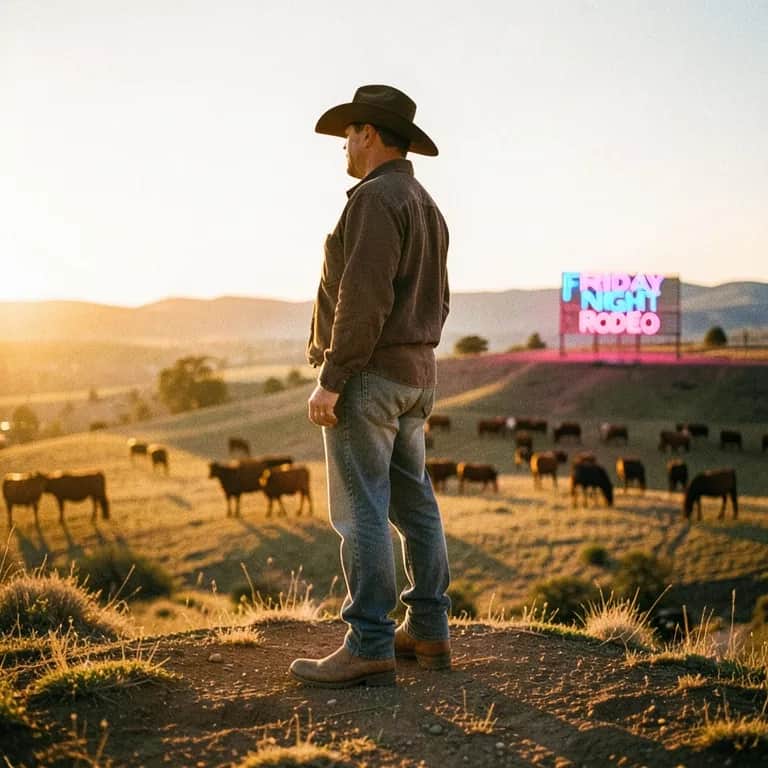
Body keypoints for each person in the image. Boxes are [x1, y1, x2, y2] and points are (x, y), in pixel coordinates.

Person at [289, 84, 452, 688]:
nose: (344, 146)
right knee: (416, 504)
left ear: (371, 135)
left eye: (349, 134)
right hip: (417, 377)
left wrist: (332, 379)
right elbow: (438, 300)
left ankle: (370, 642)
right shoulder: (426, 203)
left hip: (369, 378)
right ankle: (429, 632)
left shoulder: (375, 200)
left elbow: (362, 300)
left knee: (360, 509)